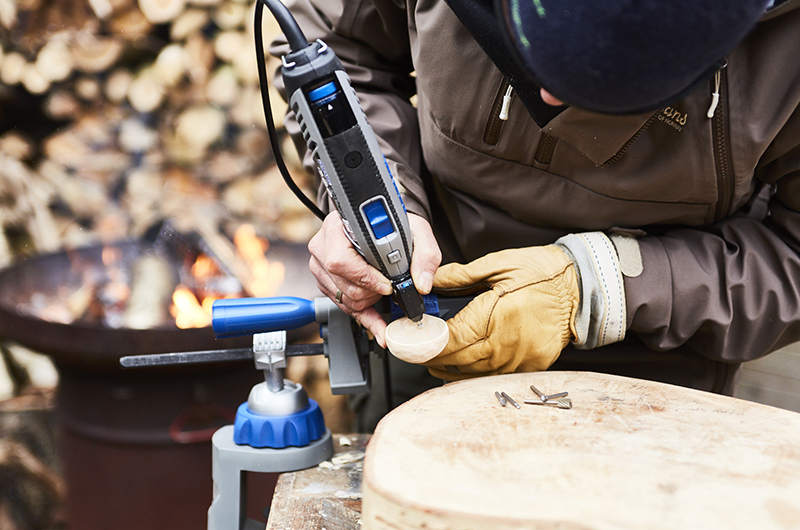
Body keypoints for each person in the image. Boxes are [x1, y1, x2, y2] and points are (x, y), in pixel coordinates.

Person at [271, 0, 800, 430]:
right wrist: (377, 195)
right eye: (528, 47)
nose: (545, 94)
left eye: (601, 83)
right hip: (428, 323)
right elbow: (332, 41)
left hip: (655, 380)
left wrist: (600, 286)